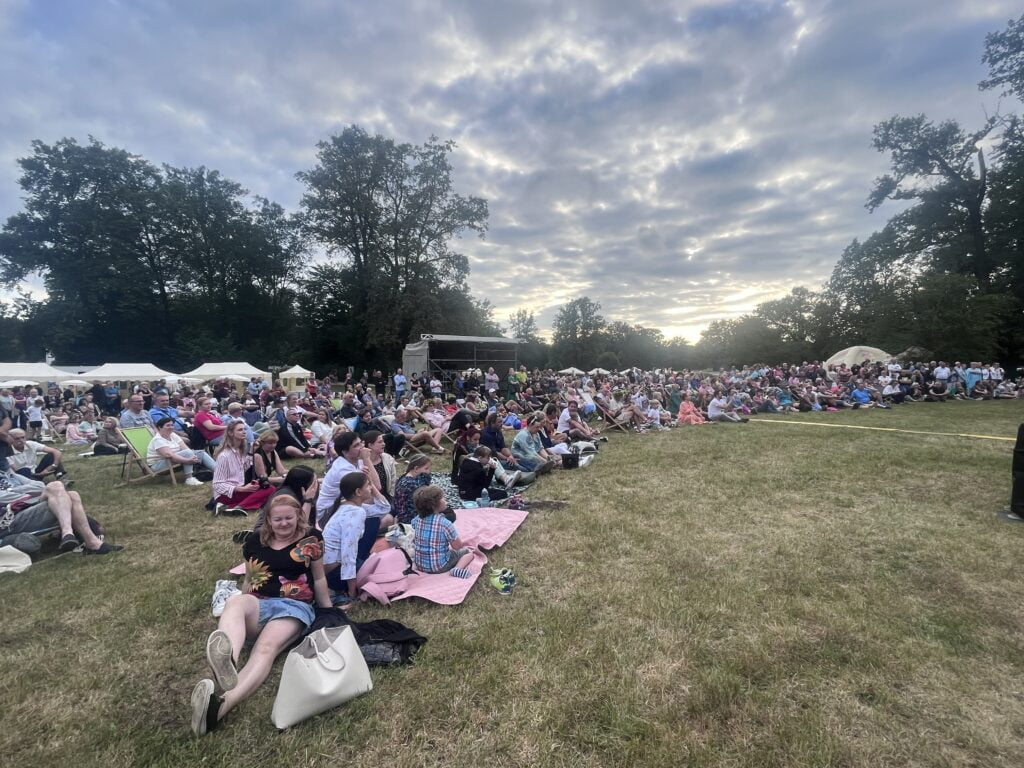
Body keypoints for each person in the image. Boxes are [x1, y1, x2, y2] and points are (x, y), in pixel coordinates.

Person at [190, 496, 331, 736]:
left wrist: (328, 610)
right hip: (259, 602)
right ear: (268, 519)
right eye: (278, 519)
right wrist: (243, 607)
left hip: (294, 607)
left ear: (299, 516)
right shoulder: (255, 541)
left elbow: (318, 578)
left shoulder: (311, 539)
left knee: (266, 649)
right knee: (235, 601)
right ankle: (228, 663)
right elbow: (249, 579)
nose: (284, 523)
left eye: (289, 518)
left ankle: (218, 709)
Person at [0, 473, 122, 555]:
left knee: (66, 491)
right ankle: (88, 541)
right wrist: (19, 492)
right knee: (64, 492)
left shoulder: (6, 473)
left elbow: (39, 485)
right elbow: (5, 497)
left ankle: (70, 534)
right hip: (9, 520)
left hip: (26, 504)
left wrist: (14, 492)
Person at [321, 471, 392, 596]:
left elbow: (384, 508)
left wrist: (372, 485)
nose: (371, 488)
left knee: (374, 520)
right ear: (358, 492)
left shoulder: (350, 506)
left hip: (335, 569)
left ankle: (362, 563)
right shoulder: (355, 513)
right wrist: (352, 590)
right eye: (368, 485)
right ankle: (348, 584)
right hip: (335, 575)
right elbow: (348, 553)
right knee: (382, 568)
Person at [213, 421, 277, 514]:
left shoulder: (239, 450)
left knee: (269, 489)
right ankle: (239, 507)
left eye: (244, 429)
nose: (244, 432)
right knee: (270, 490)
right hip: (226, 494)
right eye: (240, 430)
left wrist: (252, 451)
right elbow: (217, 484)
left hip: (239, 489)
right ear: (231, 433)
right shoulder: (224, 456)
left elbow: (244, 468)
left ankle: (229, 507)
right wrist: (242, 489)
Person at [411, 485, 473, 578]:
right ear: (435, 505)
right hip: (439, 567)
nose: (445, 499)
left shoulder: (417, 520)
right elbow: (457, 547)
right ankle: (457, 569)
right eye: (442, 498)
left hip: (420, 565)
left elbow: (413, 526)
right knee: (468, 553)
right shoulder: (445, 523)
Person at [147, 417, 215, 486]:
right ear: (159, 428)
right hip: (158, 465)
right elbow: (169, 455)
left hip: (172, 460)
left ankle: (219, 471)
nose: (171, 427)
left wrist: (193, 456)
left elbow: (185, 448)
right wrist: (187, 460)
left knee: (200, 453)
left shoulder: (172, 435)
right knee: (187, 453)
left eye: (172, 425)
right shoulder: (158, 440)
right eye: (168, 425)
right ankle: (189, 479)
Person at [393, 455, 432, 525]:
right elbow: (424, 502)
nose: (428, 471)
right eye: (426, 469)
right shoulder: (410, 484)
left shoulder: (405, 477)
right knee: (448, 515)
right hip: (410, 518)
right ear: (416, 468)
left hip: (403, 515)